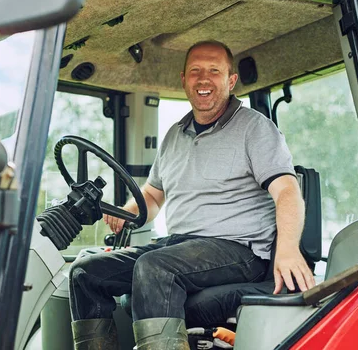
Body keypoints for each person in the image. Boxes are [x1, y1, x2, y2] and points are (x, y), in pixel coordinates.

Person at [69, 40, 315, 350]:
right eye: (196, 71)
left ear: (230, 80)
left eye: (214, 70)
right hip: (181, 247)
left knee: (155, 267)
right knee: (85, 272)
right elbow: (154, 195)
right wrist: (127, 211)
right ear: (184, 79)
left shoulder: (254, 128)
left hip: (239, 250)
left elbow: (287, 190)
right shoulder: (175, 135)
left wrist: (289, 249)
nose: (203, 79)